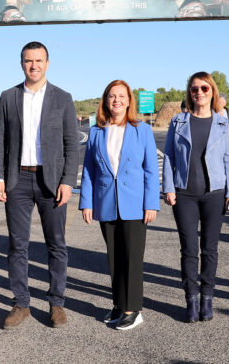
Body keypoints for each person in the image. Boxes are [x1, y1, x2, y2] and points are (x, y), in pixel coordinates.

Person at [0, 41, 79, 329]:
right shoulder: (8, 97)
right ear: (22, 64)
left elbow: (71, 144)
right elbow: (0, 141)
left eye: (39, 60)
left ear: (47, 63)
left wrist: (68, 181)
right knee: (17, 245)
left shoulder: (62, 98)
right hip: (18, 180)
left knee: (56, 245)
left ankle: (56, 303)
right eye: (29, 61)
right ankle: (21, 303)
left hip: (51, 182)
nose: (34, 65)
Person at [80, 80, 160, 330]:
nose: (116, 100)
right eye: (112, 96)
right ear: (105, 100)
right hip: (106, 203)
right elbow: (90, 171)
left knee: (132, 258)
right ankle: (118, 304)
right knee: (114, 259)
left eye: (121, 96)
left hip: (135, 204)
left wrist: (151, 204)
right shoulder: (96, 131)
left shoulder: (142, 130)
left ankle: (133, 309)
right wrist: (86, 202)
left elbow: (150, 170)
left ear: (129, 100)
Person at [162, 72, 229, 323]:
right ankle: (191, 300)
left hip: (214, 194)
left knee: (210, 249)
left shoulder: (222, 123)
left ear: (212, 91)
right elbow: (170, 156)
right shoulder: (178, 122)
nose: (200, 93)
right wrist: (168, 187)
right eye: (195, 89)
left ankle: (207, 298)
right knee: (189, 250)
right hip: (184, 194)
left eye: (205, 88)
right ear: (190, 93)